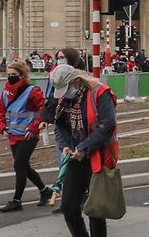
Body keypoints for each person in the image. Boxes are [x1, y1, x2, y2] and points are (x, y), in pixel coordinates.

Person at [51, 65, 117, 237]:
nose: (64, 94)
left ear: (76, 81)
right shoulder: (65, 99)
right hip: (75, 157)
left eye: (66, 88)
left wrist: (84, 147)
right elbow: (59, 126)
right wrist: (65, 145)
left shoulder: (100, 93)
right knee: (69, 207)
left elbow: (107, 125)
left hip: (97, 156)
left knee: (95, 209)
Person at [0, 60, 52, 212]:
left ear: (22, 75)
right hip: (13, 135)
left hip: (28, 135)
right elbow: (1, 111)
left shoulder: (32, 91)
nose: (10, 77)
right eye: (8, 75)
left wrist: (34, 127)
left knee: (19, 165)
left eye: (14, 75)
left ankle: (16, 200)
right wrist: (1, 126)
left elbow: (43, 109)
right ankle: (45, 191)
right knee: (24, 166)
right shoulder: (6, 92)